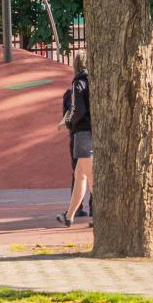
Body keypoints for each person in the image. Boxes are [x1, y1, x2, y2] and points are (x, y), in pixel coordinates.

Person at [57, 53, 92, 227]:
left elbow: (79, 110)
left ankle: (100, 217)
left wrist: (70, 123)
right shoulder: (93, 80)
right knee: (80, 175)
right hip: (92, 131)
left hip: (83, 133)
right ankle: (69, 215)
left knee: (91, 177)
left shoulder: (78, 82)